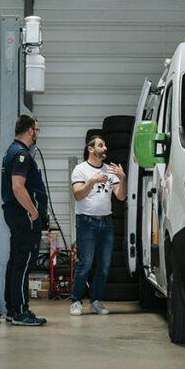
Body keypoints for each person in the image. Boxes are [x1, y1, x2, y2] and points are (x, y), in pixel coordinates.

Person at [0, 114, 49, 326]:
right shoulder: (21, 154)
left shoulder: (12, 152)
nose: (37, 134)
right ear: (30, 130)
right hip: (24, 216)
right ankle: (20, 312)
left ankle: (12, 308)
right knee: (24, 262)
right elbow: (17, 187)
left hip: (17, 215)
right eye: (36, 130)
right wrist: (34, 212)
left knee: (16, 261)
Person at [68, 135, 126, 316]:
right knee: (85, 263)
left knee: (104, 265)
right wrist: (92, 181)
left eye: (105, 145)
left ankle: (96, 301)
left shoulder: (110, 170)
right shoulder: (80, 170)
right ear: (90, 149)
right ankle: (76, 301)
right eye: (101, 145)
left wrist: (122, 179)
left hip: (106, 222)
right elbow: (78, 194)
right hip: (86, 222)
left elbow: (121, 196)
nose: (105, 148)